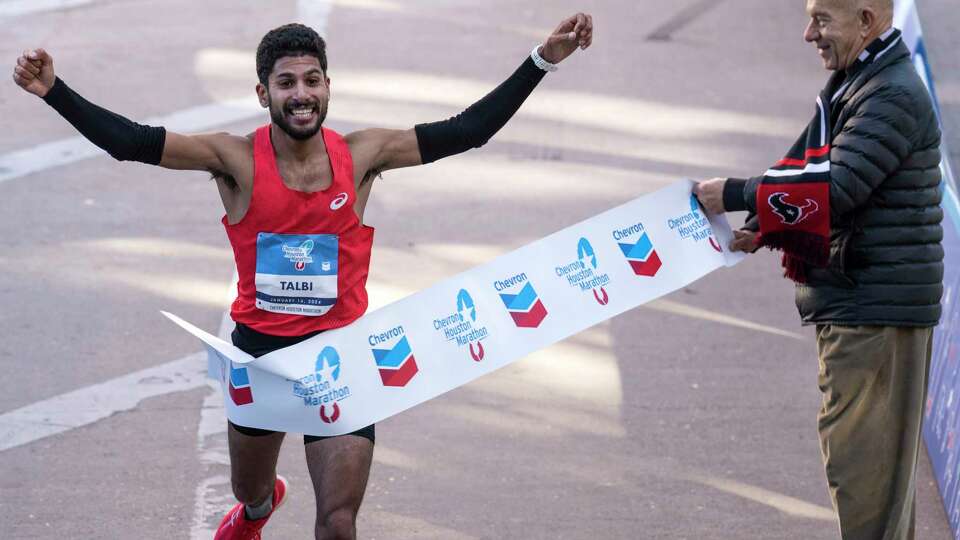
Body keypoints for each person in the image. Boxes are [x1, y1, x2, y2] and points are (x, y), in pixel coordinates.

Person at [13, 13, 593, 540]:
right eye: (287, 84)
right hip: (260, 360)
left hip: (341, 357)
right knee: (251, 490)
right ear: (264, 93)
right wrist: (53, 92)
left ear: (328, 87)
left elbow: (467, 131)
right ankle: (256, 515)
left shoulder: (365, 154)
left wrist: (541, 61)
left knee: (339, 522)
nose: (302, 95)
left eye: (312, 80)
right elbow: (133, 144)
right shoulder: (234, 158)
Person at [694, 1, 941, 538]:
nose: (809, 33)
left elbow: (835, 189)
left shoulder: (891, 93)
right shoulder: (864, 78)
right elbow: (817, 168)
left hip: (874, 311)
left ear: (867, 20)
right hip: (867, 300)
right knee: (870, 483)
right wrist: (764, 222)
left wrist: (735, 194)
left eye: (823, 19)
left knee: (865, 480)